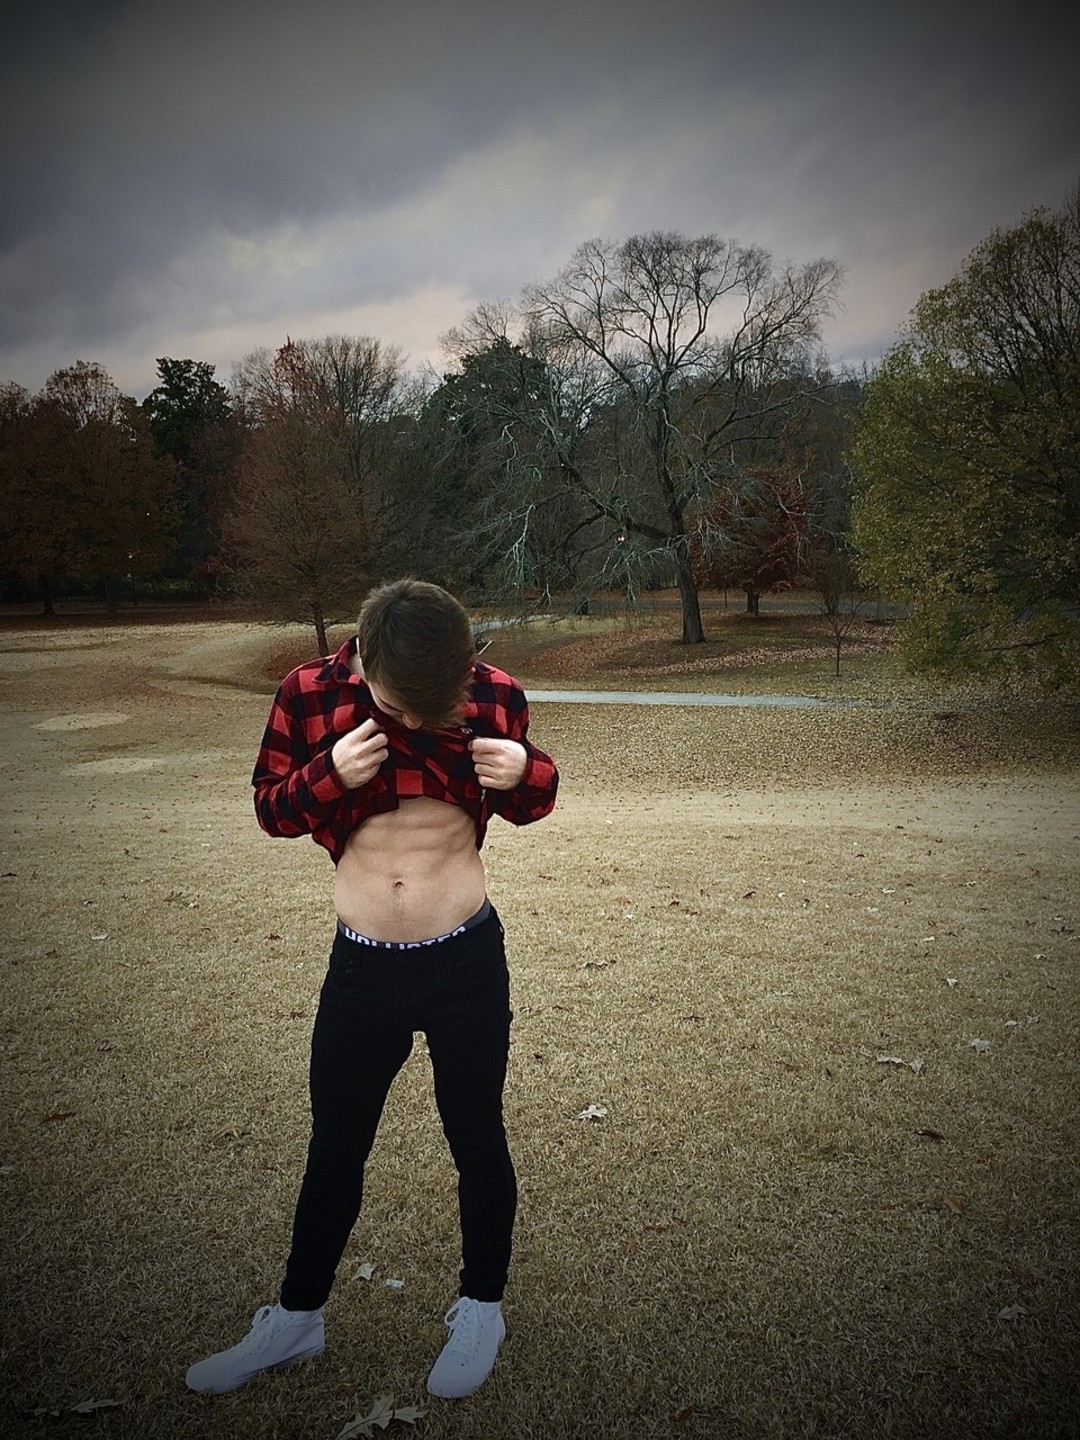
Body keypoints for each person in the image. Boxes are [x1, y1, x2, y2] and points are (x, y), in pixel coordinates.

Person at [186, 578, 558, 1400]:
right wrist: (329, 773)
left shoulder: (494, 694)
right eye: (403, 705)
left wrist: (527, 769)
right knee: (336, 1148)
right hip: (361, 971)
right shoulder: (308, 694)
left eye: (439, 705)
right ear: (364, 663)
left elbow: (533, 804)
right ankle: (297, 1319)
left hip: (465, 963)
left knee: (477, 1137)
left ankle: (482, 1308)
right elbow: (272, 811)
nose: (423, 720)